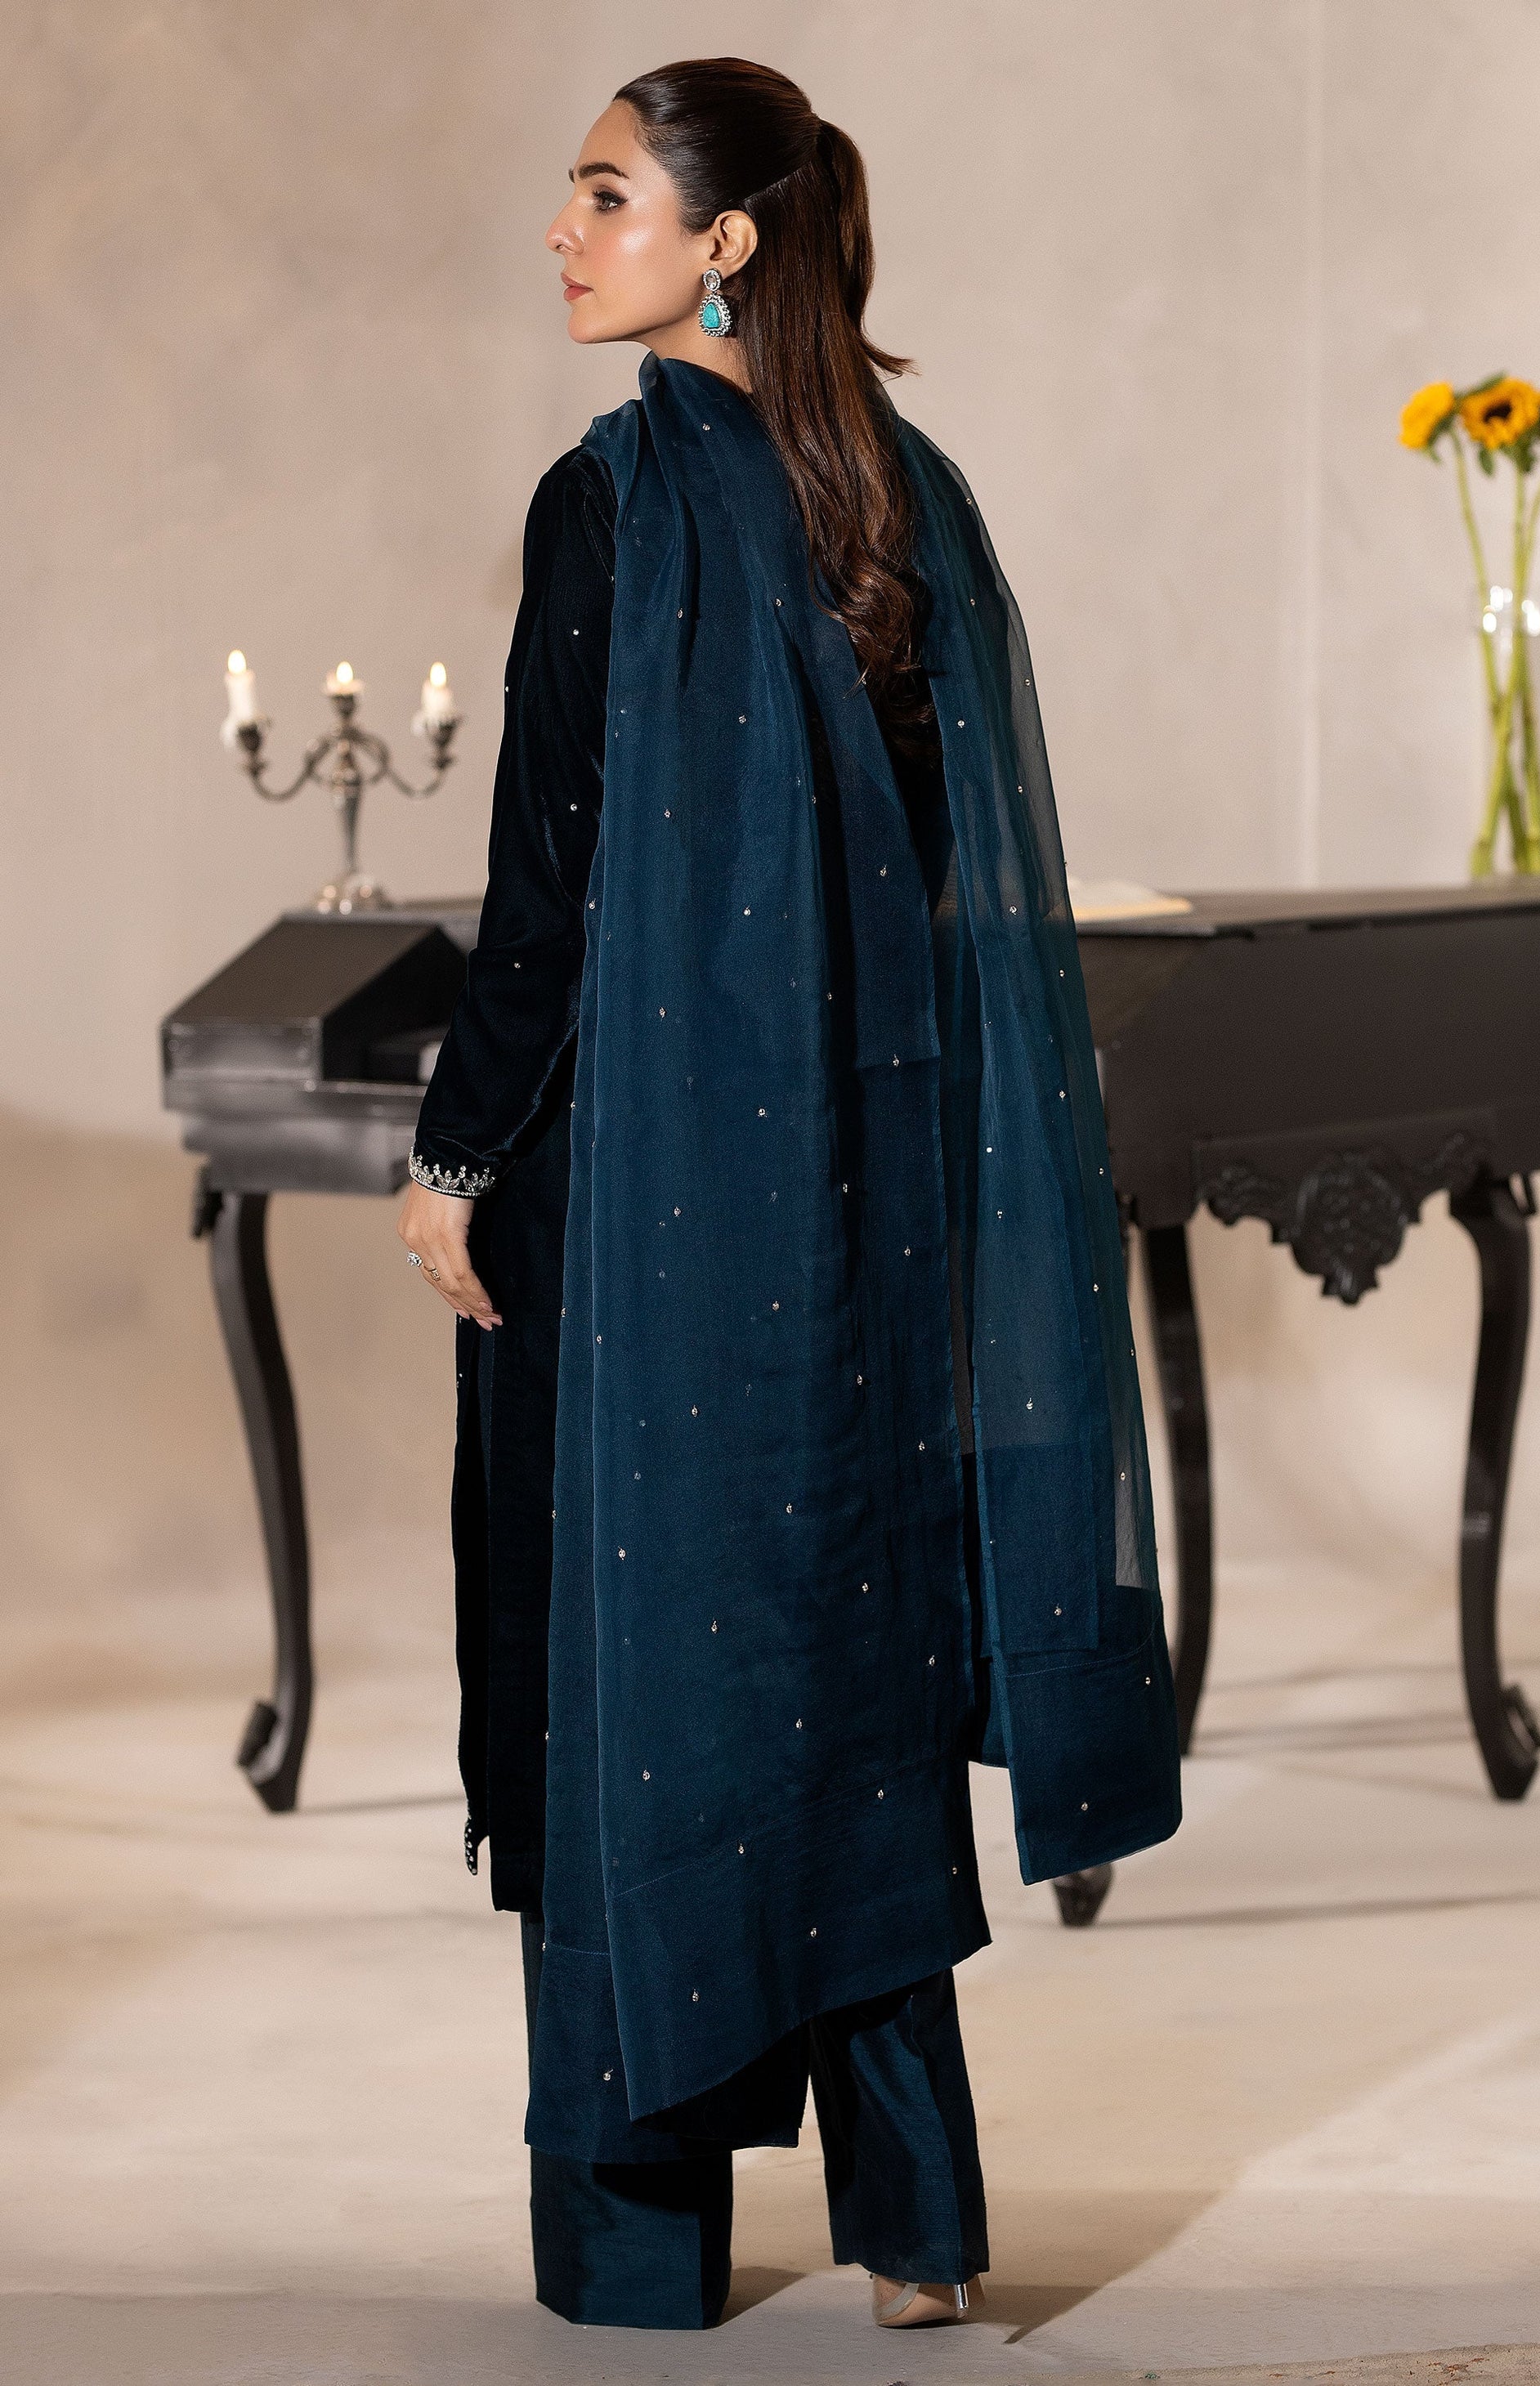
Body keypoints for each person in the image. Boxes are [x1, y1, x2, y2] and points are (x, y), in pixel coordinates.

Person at [397, 56, 1180, 2335]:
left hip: (637, 1193)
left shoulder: (614, 500)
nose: (563, 234)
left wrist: (456, 1158)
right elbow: (947, 888)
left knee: (622, 1661)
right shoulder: (903, 492)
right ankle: (916, 2225)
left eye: (604, 195)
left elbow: (544, 893)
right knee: (843, 1655)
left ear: (723, 240)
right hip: (863, 1192)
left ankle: (637, 2245)